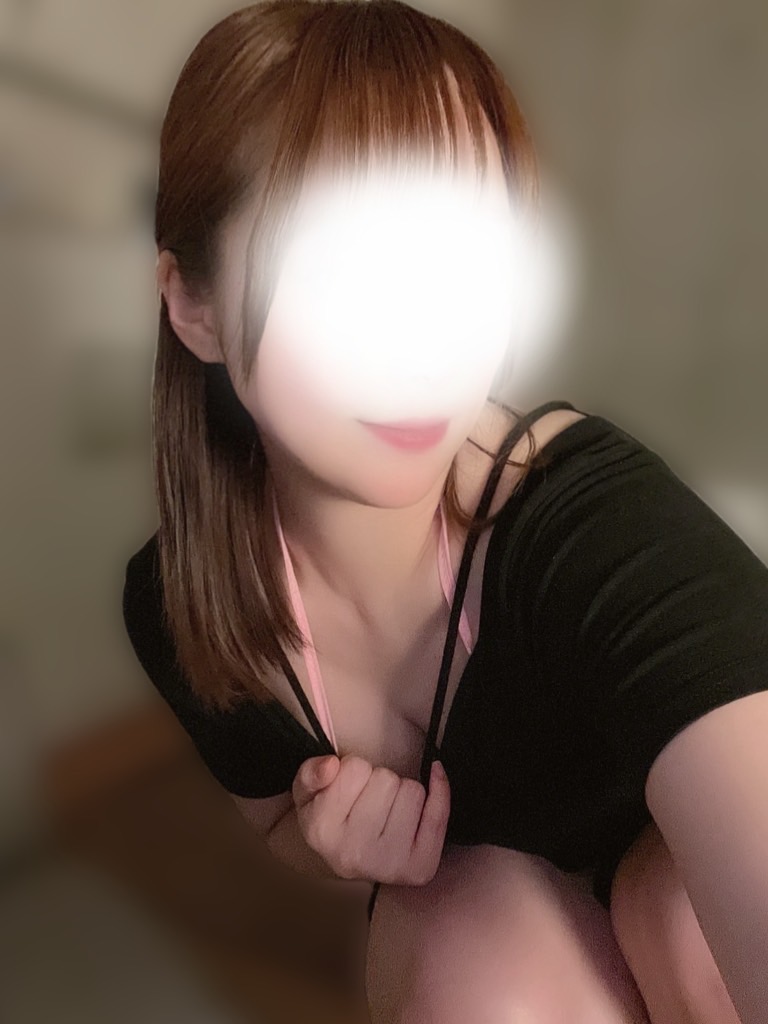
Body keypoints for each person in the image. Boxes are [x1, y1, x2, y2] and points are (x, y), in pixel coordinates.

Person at [123, 3, 768, 1021]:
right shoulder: (181, 604)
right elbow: (273, 821)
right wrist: (326, 841)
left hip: (677, 910)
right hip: (496, 940)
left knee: (688, 928)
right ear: (194, 304)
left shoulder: (591, 524)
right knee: (477, 965)